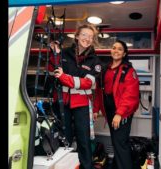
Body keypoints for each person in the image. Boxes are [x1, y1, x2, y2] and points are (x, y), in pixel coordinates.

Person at [48, 24, 101, 169]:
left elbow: (88, 83)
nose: (87, 39)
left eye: (90, 37)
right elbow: (53, 71)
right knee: (63, 139)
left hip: (82, 105)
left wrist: (65, 78)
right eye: (84, 35)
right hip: (63, 104)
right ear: (77, 36)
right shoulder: (64, 53)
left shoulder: (94, 61)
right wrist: (55, 53)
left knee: (84, 141)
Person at [93, 40, 140, 169]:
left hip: (122, 112)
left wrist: (119, 113)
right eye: (114, 48)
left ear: (124, 53)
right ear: (111, 51)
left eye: (120, 49)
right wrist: (96, 109)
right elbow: (99, 91)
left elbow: (130, 95)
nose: (116, 51)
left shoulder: (129, 71)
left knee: (120, 143)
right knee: (116, 141)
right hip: (109, 111)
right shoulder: (105, 69)